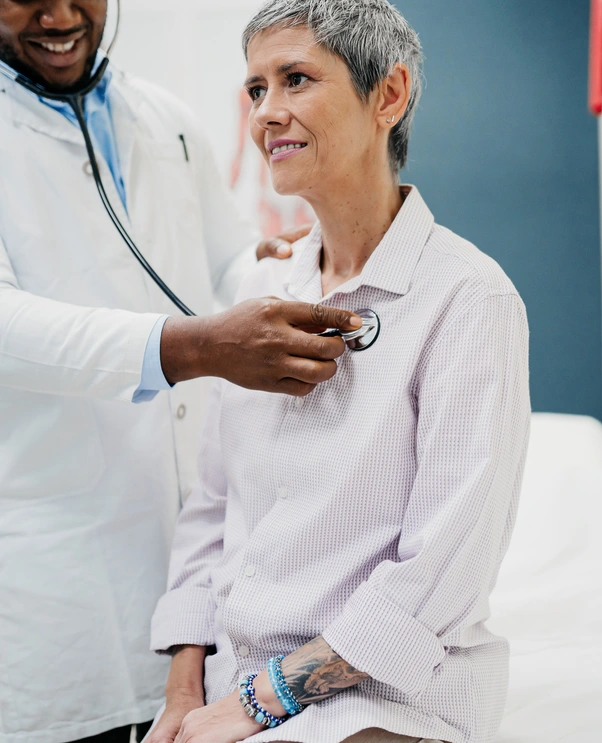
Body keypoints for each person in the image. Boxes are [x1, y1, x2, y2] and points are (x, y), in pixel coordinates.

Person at [148, 1, 531, 742]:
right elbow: (210, 509)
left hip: (384, 693)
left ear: (388, 95)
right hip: (234, 681)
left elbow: (442, 569)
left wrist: (253, 706)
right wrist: (181, 690)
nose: (266, 113)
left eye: (296, 79)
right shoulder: (257, 298)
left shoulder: (467, 298)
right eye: (256, 89)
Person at [0, 1, 360, 742]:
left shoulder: (161, 117)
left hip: (198, 575)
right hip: (53, 564)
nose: (60, 14)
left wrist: (281, 267)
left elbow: (222, 257)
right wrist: (192, 347)